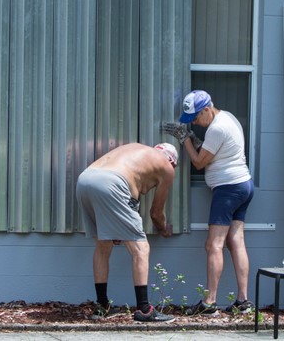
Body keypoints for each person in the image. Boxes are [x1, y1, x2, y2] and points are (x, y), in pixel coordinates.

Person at [163, 90, 255, 315]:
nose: (194, 122)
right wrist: (195, 139)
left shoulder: (216, 128)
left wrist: (184, 139)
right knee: (236, 242)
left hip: (228, 189)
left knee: (213, 245)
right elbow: (215, 151)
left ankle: (209, 303)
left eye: (195, 117)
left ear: (207, 109)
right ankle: (243, 301)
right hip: (243, 184)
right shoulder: (228, 118)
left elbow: (198, 162)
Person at [76, 142, 178, 322]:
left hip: (85, 180)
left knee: (102, 245)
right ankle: (145, 309)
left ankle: (102, 306)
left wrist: (118, 228)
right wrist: (164, 228)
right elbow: (155, 213)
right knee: (141, 249)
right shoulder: (167, 167)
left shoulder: (136, 150)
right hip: (112, 183)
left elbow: (130, 197)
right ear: (172, 161)